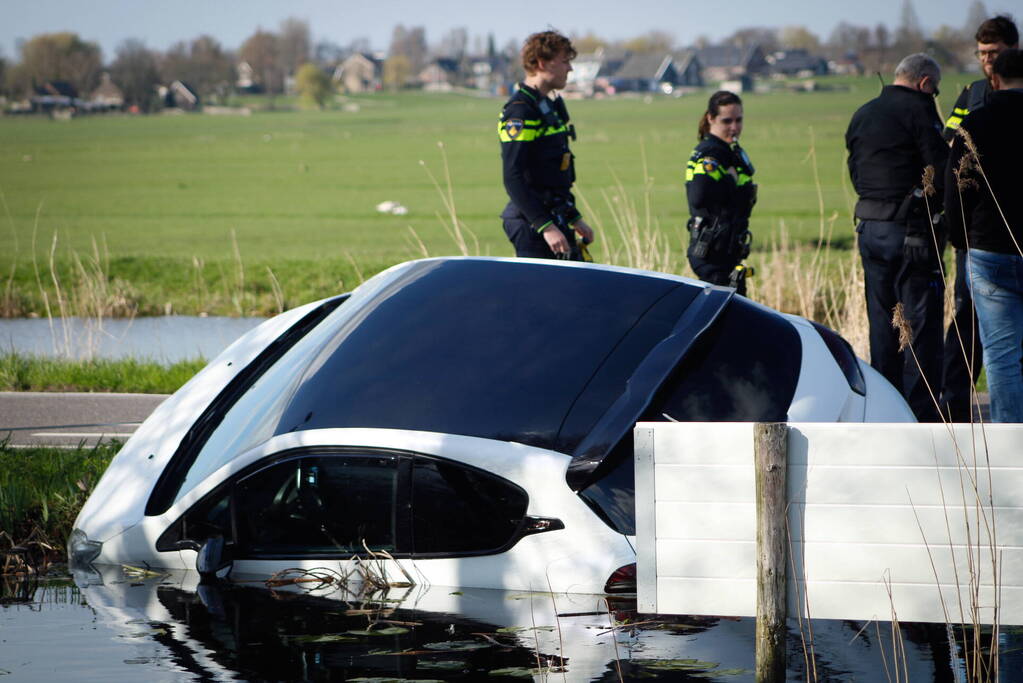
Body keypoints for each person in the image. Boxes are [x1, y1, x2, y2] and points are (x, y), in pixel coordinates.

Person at [845, 53, 948, 422]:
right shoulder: (920, 111)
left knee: (883, 324)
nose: (933, 95)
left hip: (870, 230)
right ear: (924, 83)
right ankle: (920, 415)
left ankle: (883, 410)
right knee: (921, 326)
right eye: (933, 90)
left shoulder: (863, 113)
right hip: (912, 235)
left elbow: (855, 169)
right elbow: (940, 172)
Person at [939, 15, 1019, 421]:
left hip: (988, 243)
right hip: (981, 240)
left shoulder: (982, 113)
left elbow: (954, 169)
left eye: (994, 53)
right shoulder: (969, 96)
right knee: (967, 326)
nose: (987, 61)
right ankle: (953, 404)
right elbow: (948, 142)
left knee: (1002, 352)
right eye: (982, 54)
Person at [498, 30, 594, 260]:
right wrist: (546, 227)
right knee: (541, 295)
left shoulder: (546, 106)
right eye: (564, 62)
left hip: (556, 215)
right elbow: (513, 176)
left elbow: (549, 175)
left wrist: (573, 217)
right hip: (533, 225)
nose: (569, 69)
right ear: (542, 63)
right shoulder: (520, 112)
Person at [684, 90, 756, 295]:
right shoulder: (711, 154)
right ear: (711, 118)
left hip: (727, 254)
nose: (734, 127)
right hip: (712, 254)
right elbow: (698, 195)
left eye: (738, 120)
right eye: (727, 121)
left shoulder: (728, 151)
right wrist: (728, 181)